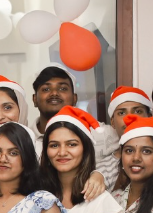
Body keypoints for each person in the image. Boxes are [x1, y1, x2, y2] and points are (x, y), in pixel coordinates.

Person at [31, 64, 111, 192]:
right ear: (34, 99)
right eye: (46, 89)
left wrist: (100, 174)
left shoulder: (102, 133)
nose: (54, 93)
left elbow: (122, 155)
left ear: (75, 98)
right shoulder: (25, 138)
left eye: (63, 88)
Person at [101, 86, 153, 190]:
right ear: (113, 122)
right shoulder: (102, 169)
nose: (130, 118)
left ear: (150, 116)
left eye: (138, 111)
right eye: (122, 113)